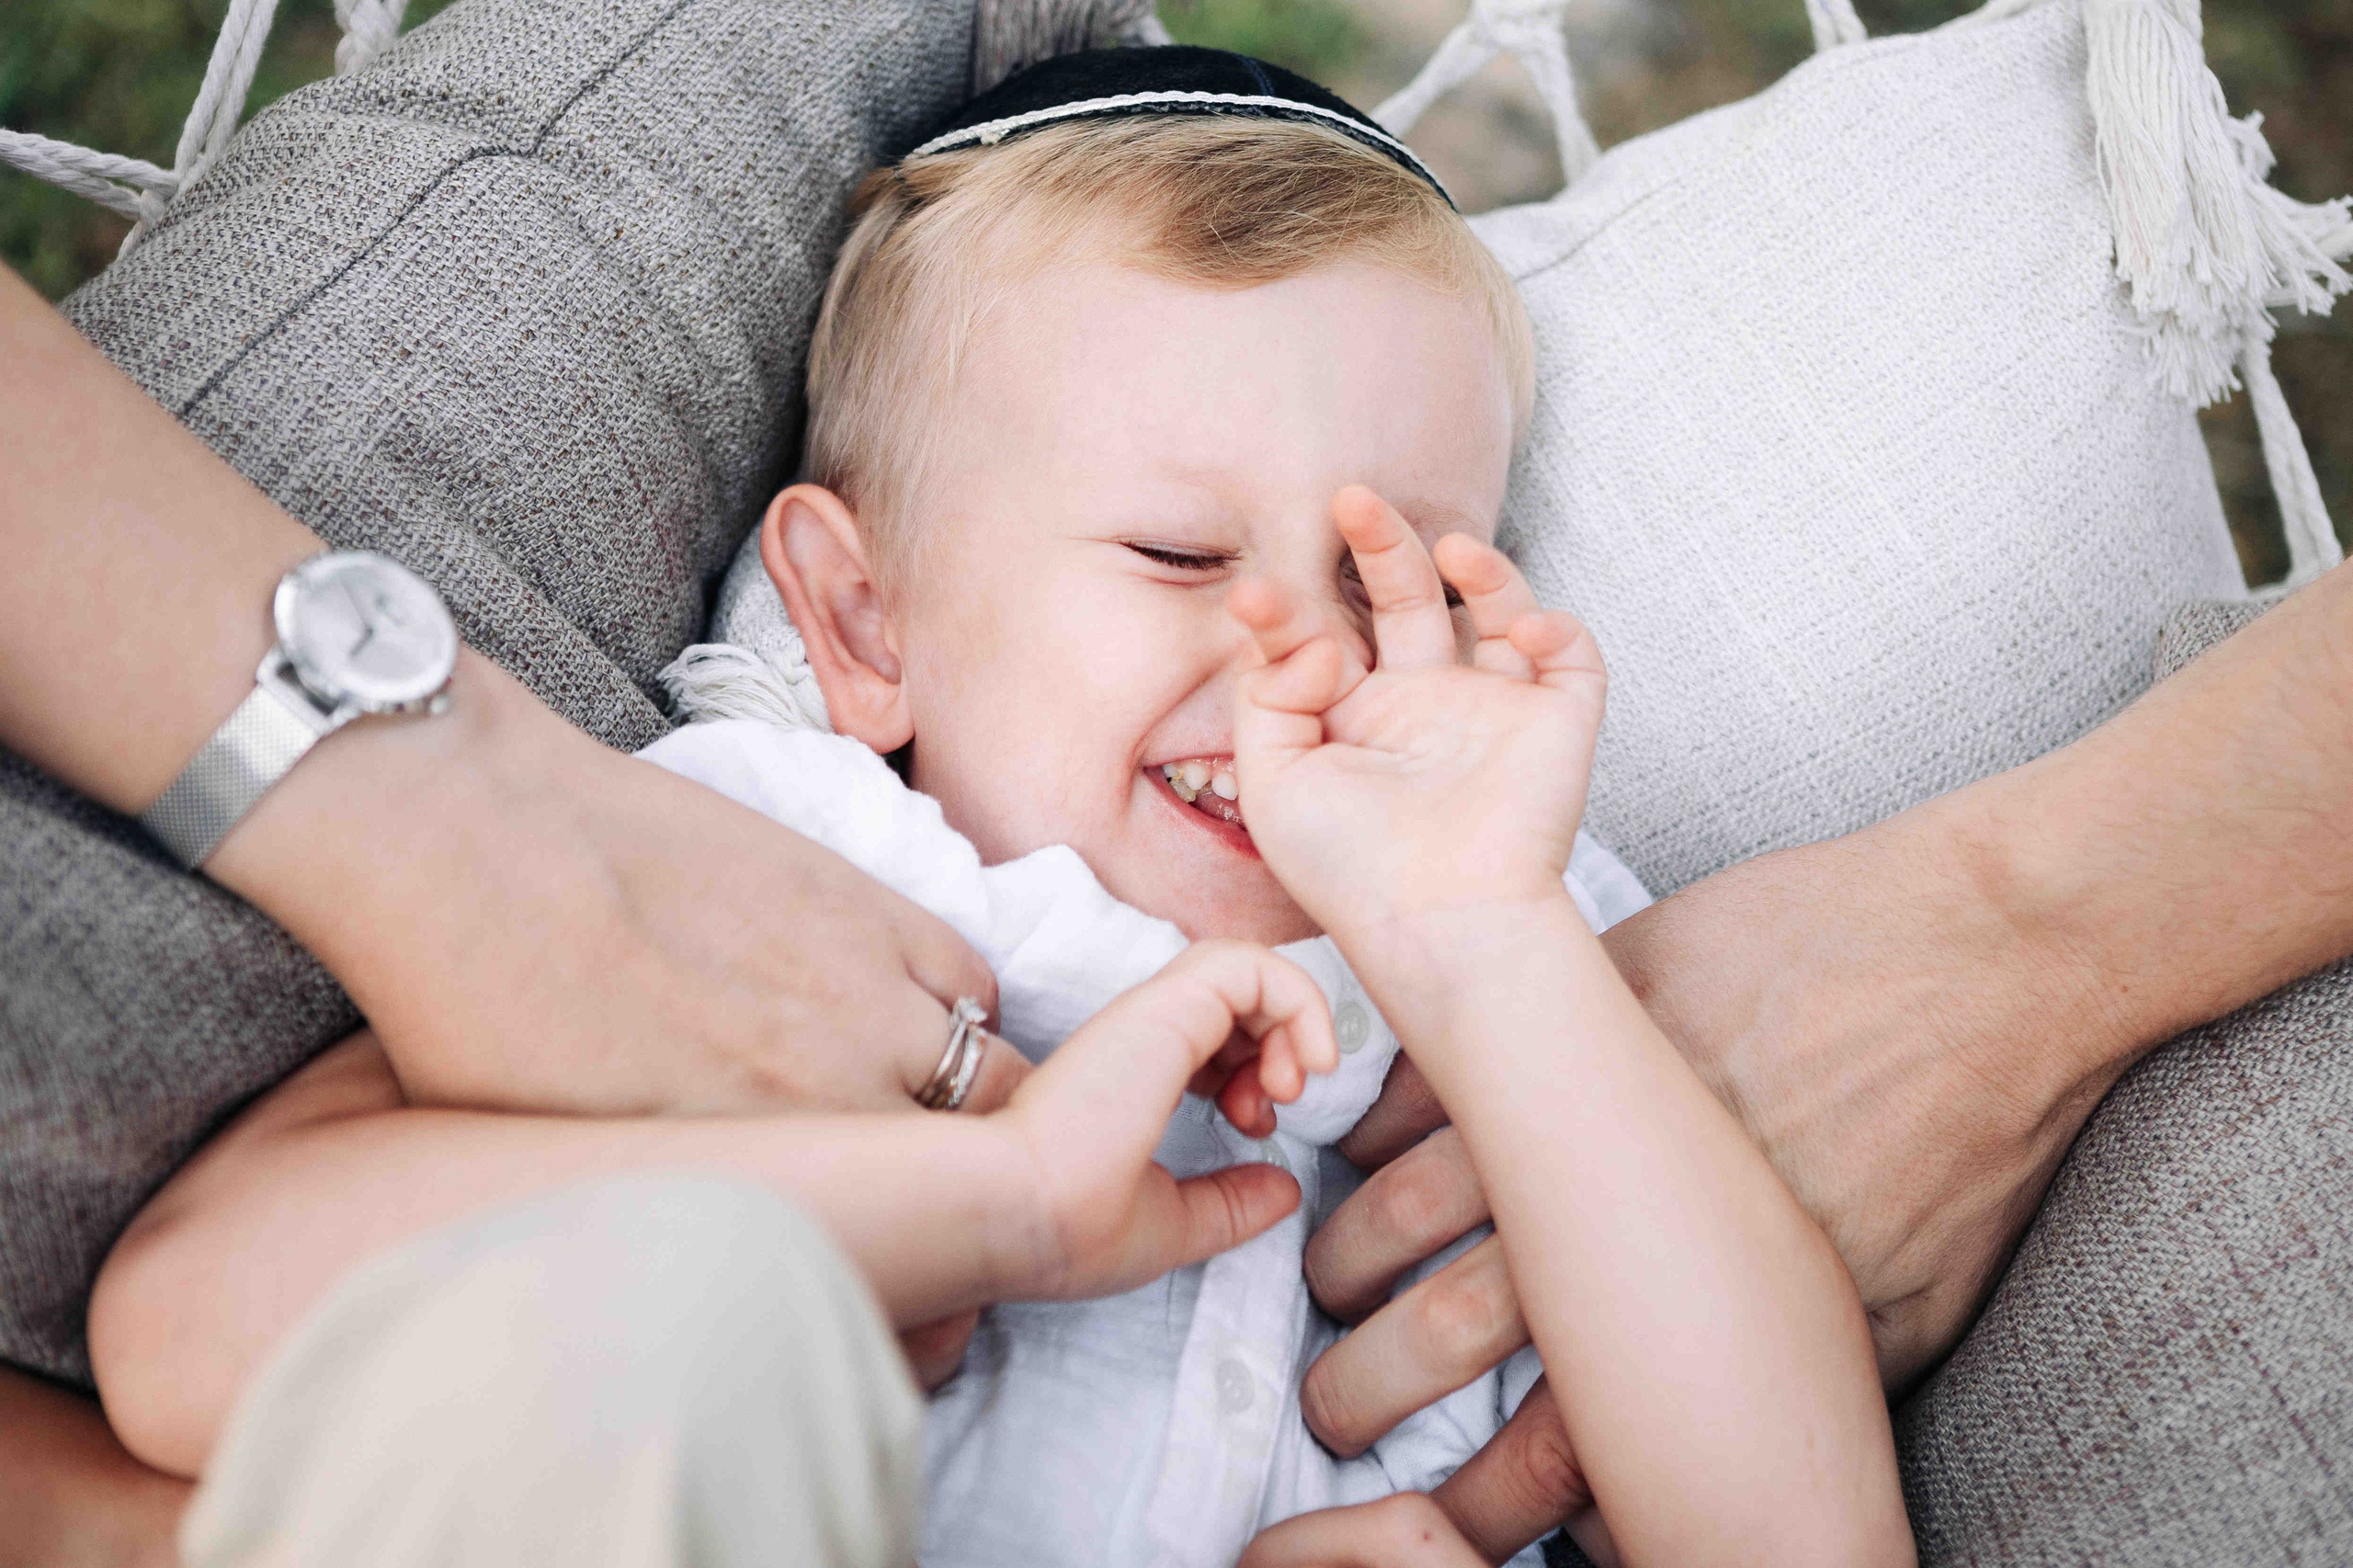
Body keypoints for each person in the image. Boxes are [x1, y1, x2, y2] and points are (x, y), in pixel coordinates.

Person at [6, 56, 2353, 1568]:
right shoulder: (753, 860)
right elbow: (199, 1330)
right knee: (696, 1313)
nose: (1295, 650)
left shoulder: (1511, 1000)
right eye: (1165, 555)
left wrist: (1496, 960)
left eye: (1381, 566)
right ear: (868, 621)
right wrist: (979, 1202)